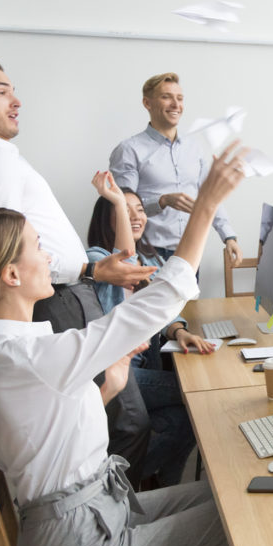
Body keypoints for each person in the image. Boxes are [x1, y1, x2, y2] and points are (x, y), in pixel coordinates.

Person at [0, 144, 246, 546]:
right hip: (82, 537)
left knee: (232, 494)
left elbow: (43, 438)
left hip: (93, 511)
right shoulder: (30, 359)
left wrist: (106, 389)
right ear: (11, 274)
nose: (49, 256)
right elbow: (161, 297)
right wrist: (205, 205)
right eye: (38, 247)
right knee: (245, 518)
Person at [0, 55, 158, 484]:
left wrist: (91, 271)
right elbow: (3, 253)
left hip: (69, 295)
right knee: (127, 421)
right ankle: (112, 523)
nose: (15, 100)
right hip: (61, 301)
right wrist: (91, 270)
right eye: (1, 92)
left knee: (119, 411)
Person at [87, 171, 215, 486]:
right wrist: (117, 198)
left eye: (140, 210)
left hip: (141, 367)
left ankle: (158, 486)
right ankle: (118, 482)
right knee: (196, 395)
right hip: (118, 373)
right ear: (108, 217)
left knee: (182, 420)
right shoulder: (96, 259)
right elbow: (128, 267)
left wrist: (179, 331)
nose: (136, 216)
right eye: (124, 210)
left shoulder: (148, 258)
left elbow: (152, 307)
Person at [109, 72, 243, 266]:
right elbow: (120, 209)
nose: (176, 104)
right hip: (150, 254)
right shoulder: (129, 150)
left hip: (190, 249)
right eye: (166, 97)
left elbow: (210, 194)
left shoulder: (193, 147)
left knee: (192, 299)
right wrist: (162, 201)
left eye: (179, 98)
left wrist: (228, 236)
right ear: (147, 103)